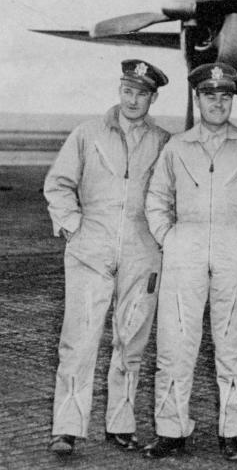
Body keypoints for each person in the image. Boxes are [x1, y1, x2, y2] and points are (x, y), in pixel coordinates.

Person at [142, 62, 237, 462]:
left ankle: (233, 431)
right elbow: (156, 199)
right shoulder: (177, 146)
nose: (217, 104)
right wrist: (169, 237)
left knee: (236, 343)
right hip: (185, 246)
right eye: (209, 96)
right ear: (197, 99)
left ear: (231, 100)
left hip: (234, 247)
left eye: (225, 97)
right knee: (174, 341)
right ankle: (171, 429)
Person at [45, 59, 171, 456]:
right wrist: (72, 227)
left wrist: (163, 236)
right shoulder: (87, 134)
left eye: (142, 93)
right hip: (91, 248)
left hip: (142, 249)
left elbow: (173, 195)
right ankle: (66, 428)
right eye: (127, 91)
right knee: (78, 341)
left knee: (131, 341)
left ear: (152, 97)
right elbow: (59, 184)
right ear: (120, 92)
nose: (133, 100)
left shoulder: (164, 142)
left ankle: (121, 425)